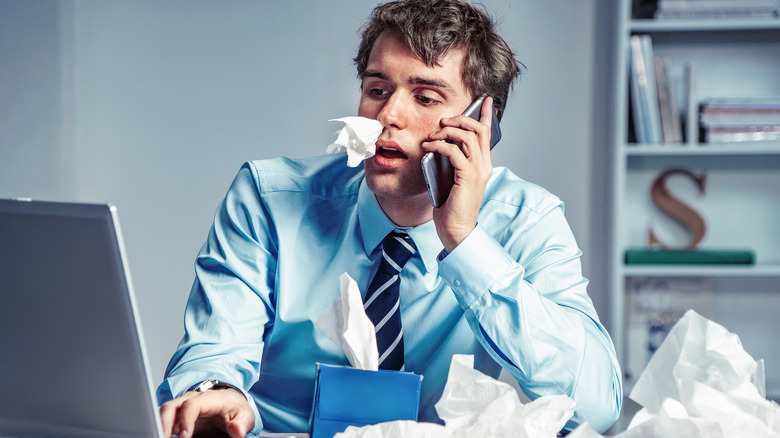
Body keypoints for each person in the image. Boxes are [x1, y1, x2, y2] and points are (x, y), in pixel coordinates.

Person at [157, 0, 623, 436]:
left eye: (425, 97)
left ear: (481, 122)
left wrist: (465, 241)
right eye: (377, 89)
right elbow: (214, 348)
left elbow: (596, 405)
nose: (388, 114)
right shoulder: (269, 198)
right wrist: (213, 393)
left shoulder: (525, 219)